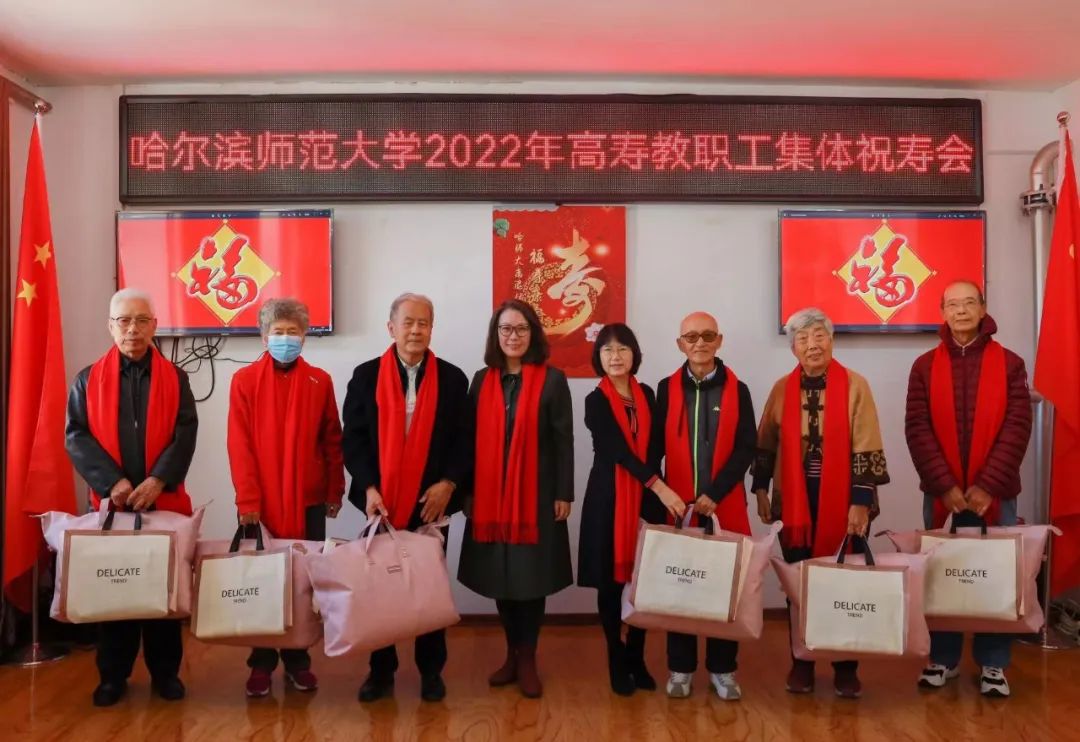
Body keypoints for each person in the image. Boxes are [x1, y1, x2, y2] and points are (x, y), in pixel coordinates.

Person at [65, 288, 198, 707]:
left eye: (142, 320)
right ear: (111, 326)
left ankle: (166, 674)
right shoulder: (87, 379)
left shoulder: (176, 378)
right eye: (124, 320)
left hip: (162, 502)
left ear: (155, 325)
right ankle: (112, 677)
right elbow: (76, 436)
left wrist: (158, 480)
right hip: (114, 504)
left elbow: (185, 433)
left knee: (162, 594)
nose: (133, 329)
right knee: (116, 592)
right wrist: (113, 483)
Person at [752, 307, 889, 699]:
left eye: (819, 336)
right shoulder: (782, 388)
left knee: (844, 582)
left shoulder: (855, 385)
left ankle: (845, 666)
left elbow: (867, 442)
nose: (812, 344)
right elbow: (766, 441)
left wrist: (860, 502)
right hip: (794, 503)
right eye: (803, 338)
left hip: (845, 502)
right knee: (800, 585)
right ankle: (803, 662)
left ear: (831, 340)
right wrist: (761, 489)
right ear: (793, 348)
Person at [341, 292, 471, 703]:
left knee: (429, 588)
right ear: (391, 327)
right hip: (380, 501)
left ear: (432, 328)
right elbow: (353, 439)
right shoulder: (365, 376)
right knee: (381, 588)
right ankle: (381, 672)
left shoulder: (453, 379)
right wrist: (368, 487)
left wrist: (448, 483)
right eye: (408, 322)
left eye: (424, 323)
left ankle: (431, 671)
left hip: (432, 503)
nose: (416, 330)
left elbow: (464, 440)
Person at [905, 280, 1032, 698]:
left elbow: (1017, 428)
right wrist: (944, 486)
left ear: (983, 309)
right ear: (942, 311)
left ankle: (993, 662)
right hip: (941, 494)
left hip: (997, 493)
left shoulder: (1010, 364)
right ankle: (943, 658)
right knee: (943, 575)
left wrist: (987, 486)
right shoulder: (924, 366)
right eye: (953, 304)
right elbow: (917, 429)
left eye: (968, 303)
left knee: (994, 576)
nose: (961, 311)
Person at [228, 297, 345, 698]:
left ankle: (298, 661)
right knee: (261, 582)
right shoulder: (244, 381)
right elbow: (239, 444)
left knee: (301, 582)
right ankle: (261, 662)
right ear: (264, 337)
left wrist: (334, 490)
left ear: (304, 336)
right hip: (259, 503)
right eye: (277, 332)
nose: (285, 338)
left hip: (308, 500)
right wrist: (247, 500)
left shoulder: (319, 381)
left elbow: (332, 441)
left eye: (293, 331)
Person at [457, 299, 574, 699]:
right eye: (506, 329)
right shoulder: (480, 380)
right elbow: (469, 442)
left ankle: (527, 658)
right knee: (500, 578)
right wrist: (467, 493)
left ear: (533, 334)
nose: (513, 336)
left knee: (530, 579)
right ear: (496, 335)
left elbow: (563, 441)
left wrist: (564, 492)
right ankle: (511, 653)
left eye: (521, 328)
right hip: (489, 498)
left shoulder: (553, 381)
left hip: (535, 496)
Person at [650, 312, 756, 700]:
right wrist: (660, 491)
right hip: (679, 507)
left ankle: (723, 670)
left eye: (708, 336)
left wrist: (716, 492)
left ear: (719, 341)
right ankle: (680, 668)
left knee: (723, 587)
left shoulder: (738, 389)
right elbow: (654, 448)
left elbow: (746, 446)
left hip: (724, 505)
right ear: (680, 344)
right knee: (679, 586)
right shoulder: (666, 389)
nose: (700, 343)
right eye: (691, 337)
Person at [577, 323, 687, 695]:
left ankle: (637, 659)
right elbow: (616, 451)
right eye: (607, 350)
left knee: (644, 580)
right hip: (609, 498)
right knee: (611, 584)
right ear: (599, 357)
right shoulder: (595, 400)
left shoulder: (648, 394)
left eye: (622, 348)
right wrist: (659, 485)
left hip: (648, 499)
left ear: (634, 354)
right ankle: (616, 658)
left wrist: (658, 487)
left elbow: (656, 448)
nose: (615, 356)